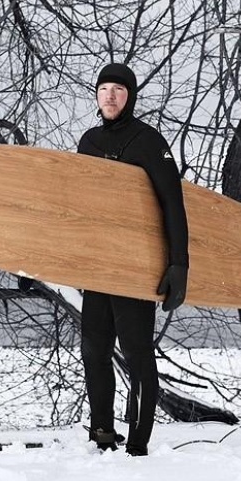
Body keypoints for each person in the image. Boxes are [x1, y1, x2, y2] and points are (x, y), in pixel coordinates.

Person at [77, 62, 189, 457]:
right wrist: (47, 262)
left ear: (130, 97)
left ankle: (138, 442)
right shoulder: (87, 142)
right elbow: (78, 210)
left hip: (136, 266)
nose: (110, 95)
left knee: (137, 352)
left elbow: (172, 204)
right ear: (97, 95)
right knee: (93, 351)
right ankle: (103, 433)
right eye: (104, 88)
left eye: (118, 90)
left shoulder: (148, 141)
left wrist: (179, 264)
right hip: (97, 266)